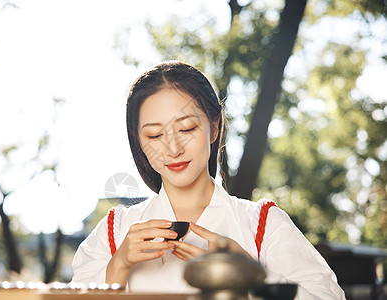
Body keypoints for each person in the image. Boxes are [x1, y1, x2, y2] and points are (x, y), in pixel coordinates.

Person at [72, 61, 345, 299]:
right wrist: (117, 267)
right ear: (138, 141)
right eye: (155, 135)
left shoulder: (262, 225)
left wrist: (252, 276)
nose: (173, 148)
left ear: (214, 126)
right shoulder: (115, 231)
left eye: (187, 128)